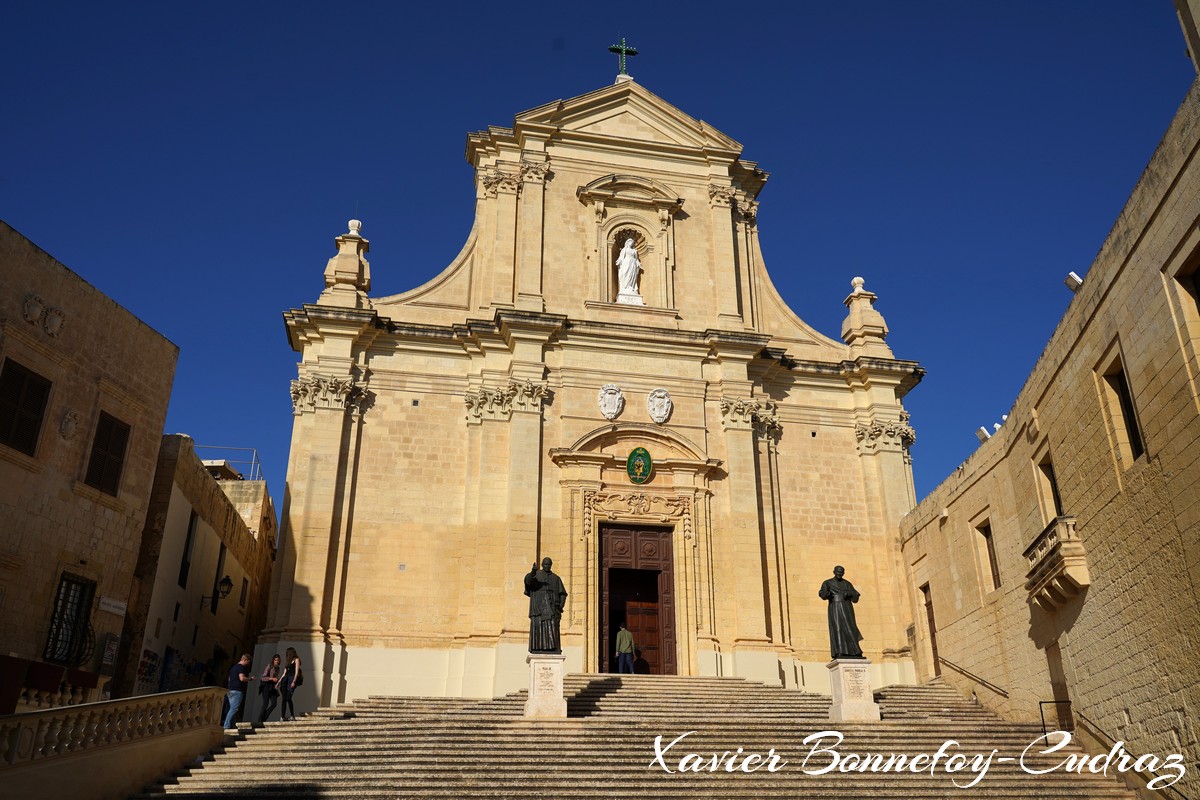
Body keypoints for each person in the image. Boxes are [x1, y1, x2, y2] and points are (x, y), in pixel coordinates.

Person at [819, 565, 864, 659]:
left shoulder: (847, 584)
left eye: (841, 572)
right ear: (834, 572)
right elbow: (822, 594)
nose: (839, 574)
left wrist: (849, 593)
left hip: (847, 607)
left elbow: (855, 597)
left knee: (850, 628)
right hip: (835, 608)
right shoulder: (827, 583)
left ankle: (855, 651)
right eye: (838, 572)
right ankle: (840, 651)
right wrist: (827, 593)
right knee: (838, 628)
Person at [524, 557, 568, 653]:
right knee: (539, 626)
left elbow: (563, 594)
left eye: (549, 564)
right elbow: (528, 582)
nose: (547, 566)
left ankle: (553, 648)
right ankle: (538, 647)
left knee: (552, 626)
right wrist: (532, 572)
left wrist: (560, 606)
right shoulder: (536, 575)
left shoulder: (556, 578)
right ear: (542, 565)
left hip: (552, 608)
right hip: (539, 607)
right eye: (545, 564)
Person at [223, 653, 255, 729]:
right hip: (237, 691)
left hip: (230, 690)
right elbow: (242, 678)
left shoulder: (233, 668)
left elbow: (229, 679)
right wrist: (250, 679)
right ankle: (226, 726)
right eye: (248, 662)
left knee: (232, 709)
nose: (248, 664)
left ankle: (233, 726)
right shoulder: (241, 667)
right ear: (245, 660)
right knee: (233, 709)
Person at [279, 646, 303, 721]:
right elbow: (284, 673)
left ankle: (292, 715)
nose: (286, 654)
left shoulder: (296, 660)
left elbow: (296, 672)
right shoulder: (288, 661)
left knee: (288, 698)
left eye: (287, 653)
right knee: (283, 699)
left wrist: (294, 681)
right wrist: (279, 682)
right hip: (285, 680)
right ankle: (282, 716)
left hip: (291, 679)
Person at [258, 653, 281, 722]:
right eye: (275, 660)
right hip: (266, 686)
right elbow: (263, 678)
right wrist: (272, 679)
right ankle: (260, 720)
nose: (277, 661)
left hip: (272, 687)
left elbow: (275, 678)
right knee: (265, 704)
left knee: (274, 703)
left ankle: (264, 717)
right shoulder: (269, 666)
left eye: (278, 660)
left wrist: (277, 682)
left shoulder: (278, 668)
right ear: (273, 660)